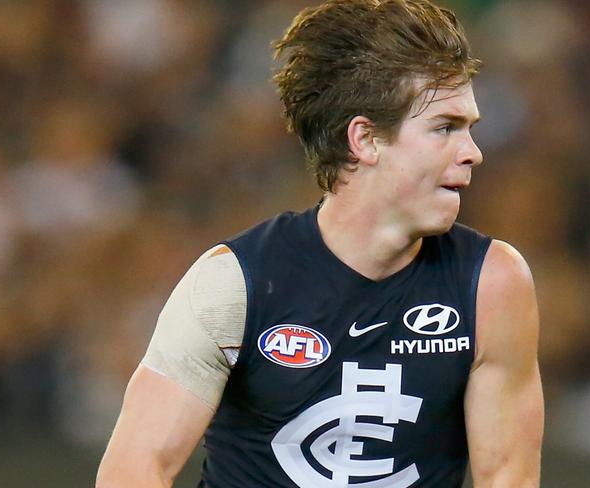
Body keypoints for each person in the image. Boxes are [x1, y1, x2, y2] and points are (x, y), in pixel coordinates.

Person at [96, 0, 544, 486]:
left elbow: (508, 477)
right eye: (444, 128)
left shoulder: (492, 284)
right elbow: (136, 468)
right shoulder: (235, 285)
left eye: (469, 129)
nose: (473, 153)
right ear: (366, 140)